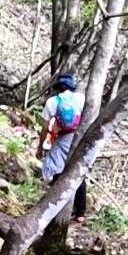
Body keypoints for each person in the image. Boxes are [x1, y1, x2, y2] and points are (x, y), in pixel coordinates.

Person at [37, 71, 89, 220]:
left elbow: (45, 128)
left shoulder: (52, 102)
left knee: (57, 168)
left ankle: (54, 206)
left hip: (63, 138)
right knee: (77, 171)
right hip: (79, 137)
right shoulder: (81, 98)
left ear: (57, 87)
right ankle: (80, 212)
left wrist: (40, 147)